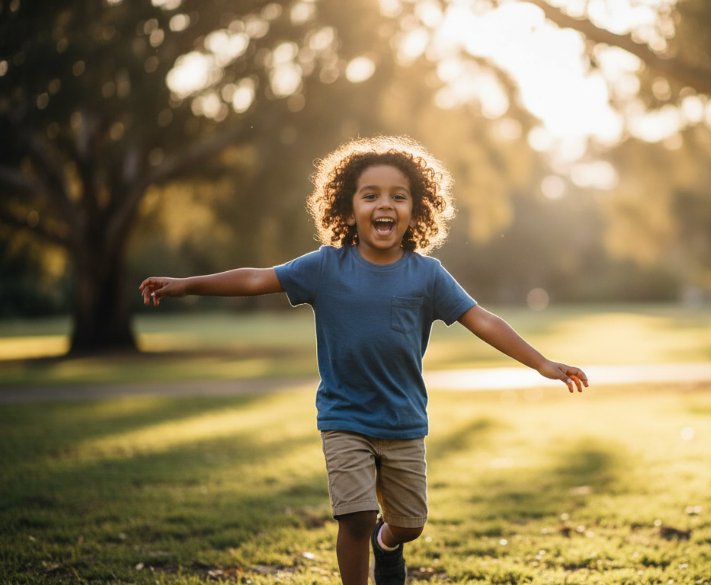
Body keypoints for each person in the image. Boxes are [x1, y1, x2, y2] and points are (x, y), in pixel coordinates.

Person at [138, 135, 589, 585]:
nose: (384, 204)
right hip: (345, 417)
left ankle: (387, 544)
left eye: (398, 196)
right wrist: (185, 285)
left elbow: (483, 320)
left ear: (416, 210)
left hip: (403, 421)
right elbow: (257, 278)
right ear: (348, 208)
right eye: (370, 195)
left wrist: (542, 363)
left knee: (410, 524)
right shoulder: (324, 267)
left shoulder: (428, 275)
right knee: (355, 517)